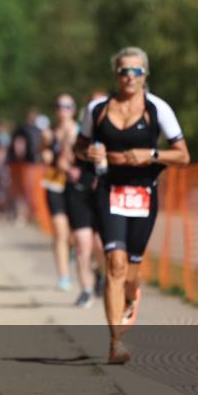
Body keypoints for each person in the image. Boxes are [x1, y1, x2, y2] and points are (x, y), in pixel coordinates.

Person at [75, 48, 190, 364]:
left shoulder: (158, 109)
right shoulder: (97, 109)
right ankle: (115, 343)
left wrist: (151, 156)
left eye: (136, 71)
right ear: (116, 74)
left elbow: (183, 155)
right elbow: (79, 146)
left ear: (145, 75)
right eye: (124, 71)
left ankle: (131, 294)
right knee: (115, 263)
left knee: (131, 272)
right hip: (108, 191)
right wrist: (88, 153)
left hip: (143, 194)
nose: (129, 77)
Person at [68, 90, 109, 308]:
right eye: (93, 104)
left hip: (105, 193)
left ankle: (103, 276)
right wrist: (69, 167)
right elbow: (66, 156)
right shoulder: (80, 132)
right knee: (83, 245)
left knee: (101, 246)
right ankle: (86, 290)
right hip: (80, 192)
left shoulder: (117, 132)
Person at [42, 94, 79, 292]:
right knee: (59, 231)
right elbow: (44, 154)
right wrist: (47, 153)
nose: (63, 110)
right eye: (59, 106)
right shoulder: (49, 133)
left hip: (75, 186)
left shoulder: (80, 132)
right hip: (54, 184)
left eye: (67, 106)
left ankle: (75, 254)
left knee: (76, 234)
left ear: (74, 110)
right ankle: (64, 276)